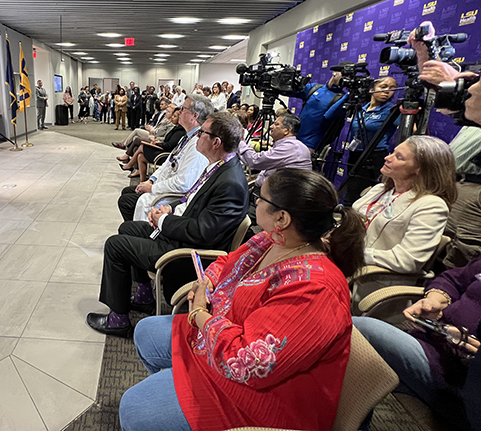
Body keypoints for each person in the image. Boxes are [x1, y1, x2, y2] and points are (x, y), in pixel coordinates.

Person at [119, 168, 367, 431]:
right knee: (145, 332)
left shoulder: (314, 290)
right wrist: (207, 281)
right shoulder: (273, 239)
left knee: (134, 409)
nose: (255, 202)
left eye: (260, 198)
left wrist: (200, 313)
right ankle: (173, 389)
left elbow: (246, 362)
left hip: (263, 397)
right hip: (223, 335)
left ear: (281, 217)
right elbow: (229, 260)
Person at [87, 111, 250, 337]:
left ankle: (118, 320)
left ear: (216, 142)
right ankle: (144, 295)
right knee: (128, 228)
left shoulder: (230, 182)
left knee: (115, 245)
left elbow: (204, 233)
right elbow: (194, 203)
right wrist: (170, 211)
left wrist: (164, 220)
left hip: (186, 252)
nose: (198, 135)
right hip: (180, 232)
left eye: (203, 132)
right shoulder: (220, 166)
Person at [353, 257, 481, 429]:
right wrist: (435, 300)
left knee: (358, 330)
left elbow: (408, 259)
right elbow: (453, 278)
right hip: (433, 342)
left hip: (457, 378)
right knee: (360, 366)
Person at [407, 24, 481, 268]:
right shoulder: (472, 89)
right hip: (454, 183)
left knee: (460, 263)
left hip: (475, 190)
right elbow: (446, 98)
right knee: (434, 252)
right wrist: (423, 53)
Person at [351, 136, 457, 302]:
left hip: (375, 284)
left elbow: (408, 260)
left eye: (398, 157)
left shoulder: (431, 205)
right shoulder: (380, 189)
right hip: (348, 268)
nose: (388, 157)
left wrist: (353, 253)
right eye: (393, 152)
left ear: (420, 169)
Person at [118, 94, 211, 222]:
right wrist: (151, 180)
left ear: (195, 116)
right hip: (163, 184)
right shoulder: (187, 136)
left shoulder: (198, 144)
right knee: (127, 193)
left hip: (171, 195)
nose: (179, 112)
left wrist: (152, 188)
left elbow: (184, 183)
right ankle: (132, 231)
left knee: (126, 201)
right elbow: (169, 162)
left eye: (183, 109)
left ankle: (136, 233)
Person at [327, 76, 401, 205]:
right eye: (383, 87)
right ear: (372, 89)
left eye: (392, 88)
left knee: (362, 194)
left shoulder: (391, 110)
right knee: (351, 190)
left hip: (374, 156)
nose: (387, 91)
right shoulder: (361, 108)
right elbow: (329, 115)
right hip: (355, 154)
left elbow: (410, 130)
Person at [238, 113, 311, 187]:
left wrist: (240, 141)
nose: (271, 126)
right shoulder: (290, 145)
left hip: (282, 195)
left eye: (276, 124)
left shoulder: (290, 147)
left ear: (287, 130)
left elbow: (255, 161)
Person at [289, 65, 347, 150]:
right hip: (294, 139)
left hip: (312, 145)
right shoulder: (315, 88)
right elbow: (291, 91)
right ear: (335, 73)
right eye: (344, 75)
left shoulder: (342, 98)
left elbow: (329, 116)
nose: (346, 79)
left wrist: (348, 97)